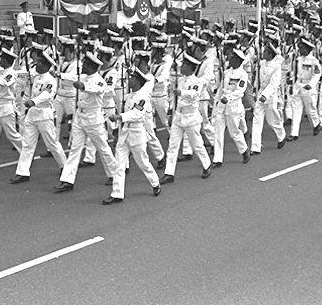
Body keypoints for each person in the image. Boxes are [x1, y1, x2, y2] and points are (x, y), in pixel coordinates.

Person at [53, 51, 124, 197]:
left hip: (93, 119)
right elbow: (73, 78)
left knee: (103, 148)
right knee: (75, 149)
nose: (82, 65)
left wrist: (83, 86)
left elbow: (96, 88)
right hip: (80, 116)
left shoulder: (98, 79)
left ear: (91, 66)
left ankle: (114, 174)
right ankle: (67, 180)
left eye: (85, 64)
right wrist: (60, 75)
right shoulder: (83, 76)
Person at [106, 68, 162, 205]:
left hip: (137, 134)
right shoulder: (129, 96)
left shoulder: (142, 97)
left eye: (131, 78)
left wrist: (120, 116)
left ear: (137, 81)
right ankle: (117, 193)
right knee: (119, 164)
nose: (128, 80)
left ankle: (155, 182)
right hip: (125, 133)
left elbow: (137, 114)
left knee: (143, 162)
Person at [10, 53, 67, 182]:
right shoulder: (35, 79)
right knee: (27, 144)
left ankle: (64, 166)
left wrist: (34, 101)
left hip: (44, 114)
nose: (37, 64)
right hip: (32, 114)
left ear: (46, 66)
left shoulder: (50, 80)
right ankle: (23, 172)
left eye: (40, 63)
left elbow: (47, 94)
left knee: (52, 143)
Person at [160, 52, 213, 184]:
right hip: (179, 115)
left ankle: (207, 165)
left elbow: (193, 94)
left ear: (190, 67)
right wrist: (171, 111)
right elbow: (175, 98)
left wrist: (181, 92)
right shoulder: (180, 80)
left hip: (191, 117)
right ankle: (169, 173)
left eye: (184, 65)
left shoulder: (197, 82)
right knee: (172, 146)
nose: (181, 67)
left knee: (197, 145)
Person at [211, 48, 250, 167]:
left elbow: (240, 91)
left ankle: (244, 150)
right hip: (222, 106)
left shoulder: (243, 74)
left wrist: (228, 98)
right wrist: (216, 101)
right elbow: (221, 89)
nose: (230, 59)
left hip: (233, 106)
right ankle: (217, 159)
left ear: (238, 60)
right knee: (218, 132)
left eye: (232, 58)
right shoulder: (227, 72)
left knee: (234, 132)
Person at [251, 41, 287, 155]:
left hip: (270, 96)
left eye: (266, 52)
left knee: (272, 121)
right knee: (257, 120)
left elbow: (274, 84)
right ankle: (255, 147)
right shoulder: (261, 64)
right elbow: (257, 78)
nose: (263, 53)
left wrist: (264, 95)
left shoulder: (276, 67)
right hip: (260, 94)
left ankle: (281, 135)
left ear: (271, 55)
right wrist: (255, 89)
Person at [289, 38, 322, 140]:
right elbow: (293, 72)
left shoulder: (314, 61)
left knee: (310, 109)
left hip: (308, 87)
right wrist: (291, 85)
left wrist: (311, 84)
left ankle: (316, 124)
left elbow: (317, 74)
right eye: (300, 47)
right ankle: (294, 133)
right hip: (298, 86)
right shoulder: (297, 59)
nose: (300, 50)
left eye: (303, 48)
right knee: (296, 109)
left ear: (308, 49)